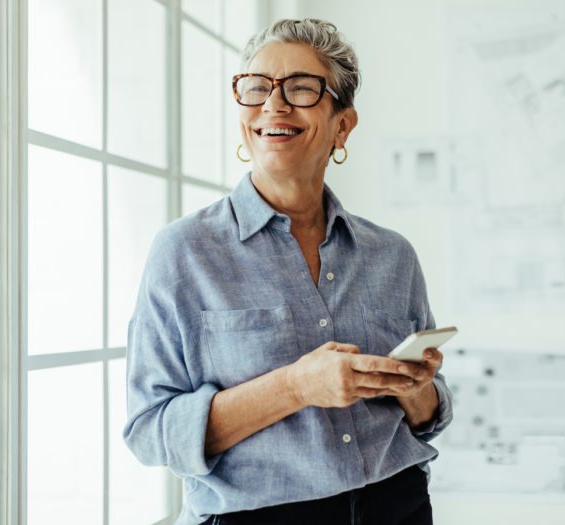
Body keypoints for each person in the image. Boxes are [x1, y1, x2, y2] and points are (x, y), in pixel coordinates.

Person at [123, 18, 453, 525]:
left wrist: (415, 387)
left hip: (398, 505)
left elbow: (427, 418)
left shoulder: (393, 256)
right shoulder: (184, 252)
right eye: (257, 88)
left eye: (301, 88)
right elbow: (151, 432)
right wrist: (296, 387)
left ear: (342, 125)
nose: (273, 105)